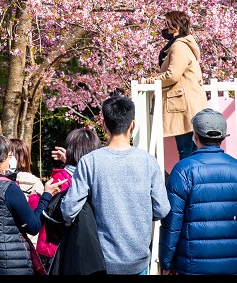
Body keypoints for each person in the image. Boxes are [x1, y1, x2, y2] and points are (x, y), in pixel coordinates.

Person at [61, 95, 171, 276]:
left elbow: (69, 210)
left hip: (102, 260)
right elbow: (162, 209)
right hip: (139, 258)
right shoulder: (148, 162)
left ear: (104, 125)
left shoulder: (90, 162)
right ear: (132, 125)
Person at [159, 108, 237, 275]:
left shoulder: (184, 170)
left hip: (193, 266)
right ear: (222, 138)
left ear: (195, 136)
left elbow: (172, 223)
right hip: (234, 266)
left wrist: (166, 262)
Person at [0, 133, 65, 275]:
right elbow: (33, 226)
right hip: (13, 265)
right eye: (9, 156)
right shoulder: (8, 189)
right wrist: (46, 196)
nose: (12, 161)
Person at [36, 126, 101, 264]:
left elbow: (52, 211)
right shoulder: (96, 178)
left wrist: (37, 197)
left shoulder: (62, 178)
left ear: (72, 150)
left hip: (54, 247)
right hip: (86, 245)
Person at [153, 10, 206, 161]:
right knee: (191, 151)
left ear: (175, 26)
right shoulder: (182, 45)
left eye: (167, 25)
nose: (164, 29)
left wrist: (152, 80)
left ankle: (188, 184)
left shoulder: (179, 46)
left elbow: (172, 75)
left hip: (183, 107)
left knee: (186, 153)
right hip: (187, 105)